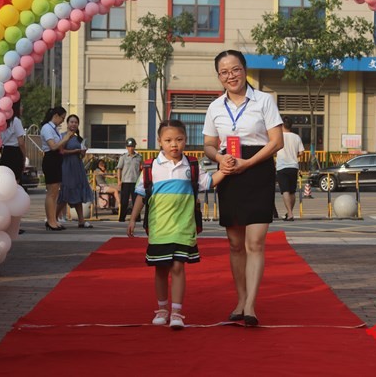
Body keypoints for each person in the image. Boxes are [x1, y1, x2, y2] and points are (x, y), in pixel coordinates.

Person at [203, 50, 283, 327]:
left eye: (235, 69)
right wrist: (219, 158)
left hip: (257, 169)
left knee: (255, 242)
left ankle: (250, 305)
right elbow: (209, 144)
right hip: (229, 172)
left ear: (244, 69)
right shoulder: (215, 107)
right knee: (235, 244)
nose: (231, 76)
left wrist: (248, 163)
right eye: (224, 72)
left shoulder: (264, 100)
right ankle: (240, 300)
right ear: (219, 76)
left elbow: (277, 141)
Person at [127, 120, 225, 329]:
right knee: (161, 269)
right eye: (168, 140)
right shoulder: (151, 167)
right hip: (159, 228)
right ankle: (162, 309)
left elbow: (208, 182)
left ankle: (177, 313)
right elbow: (141, 195)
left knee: (178, 266)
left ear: (185, 140)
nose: (174, 144)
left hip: (183, 227)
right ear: (159, 141)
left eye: (179, 139)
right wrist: (133, 218)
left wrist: (226, 169)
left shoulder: (192, 165)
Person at [56, 115, 93, 228]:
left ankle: (81, 220)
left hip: (77, 167)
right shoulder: (62, 136)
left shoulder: (79, 139)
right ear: (67, 124)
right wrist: (75, 151)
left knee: (78, 192)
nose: (73, 124)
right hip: (66, 167)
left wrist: (82, 153)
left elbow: (81, 156)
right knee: (65, 193)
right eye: (71, 122)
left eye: (76, 122)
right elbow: (61, 151)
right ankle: (53, 218)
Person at [40, 107, 73, 231]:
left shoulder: (54, 129)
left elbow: (59, 147)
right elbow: (53, 146)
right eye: (62, 118)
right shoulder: (47, 128)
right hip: (51, 159)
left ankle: (53, 220)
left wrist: (66, 139)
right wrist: (65, 138)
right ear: (56, 116)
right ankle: (50, 221)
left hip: (57, 159)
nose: (62, 121)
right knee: (52, 192)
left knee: (55, 192)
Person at [276, 116, 304, 221]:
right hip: (293, 166)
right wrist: (294, 155)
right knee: (292, 191)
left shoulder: (278, 137)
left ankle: (290, 213)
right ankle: (290, 213)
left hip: (282, 167)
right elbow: (301, 152)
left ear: (282, 125)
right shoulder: (296, 137)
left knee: (285, 190)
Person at [0, 100, 26, 182]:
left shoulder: (4, 120)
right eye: (21, 106)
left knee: (6, 178)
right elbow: (21, 142)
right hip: (15, 152)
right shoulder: (16, 121)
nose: (22, 108)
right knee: (15, 179)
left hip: (5, 151)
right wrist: (24, 156)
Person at [117, 138, 142, 222]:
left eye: (132, 146)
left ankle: (137, 218)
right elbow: (119, 169)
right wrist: (119, 180)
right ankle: (122, 218)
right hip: (125, 181)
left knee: (136, 201)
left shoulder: (139, 157)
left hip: (135, 182)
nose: (131, 148)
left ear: (134, 147)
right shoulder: (123, 157)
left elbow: (141, 169)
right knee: (124, 201)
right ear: (126, 147)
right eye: (129, 147)